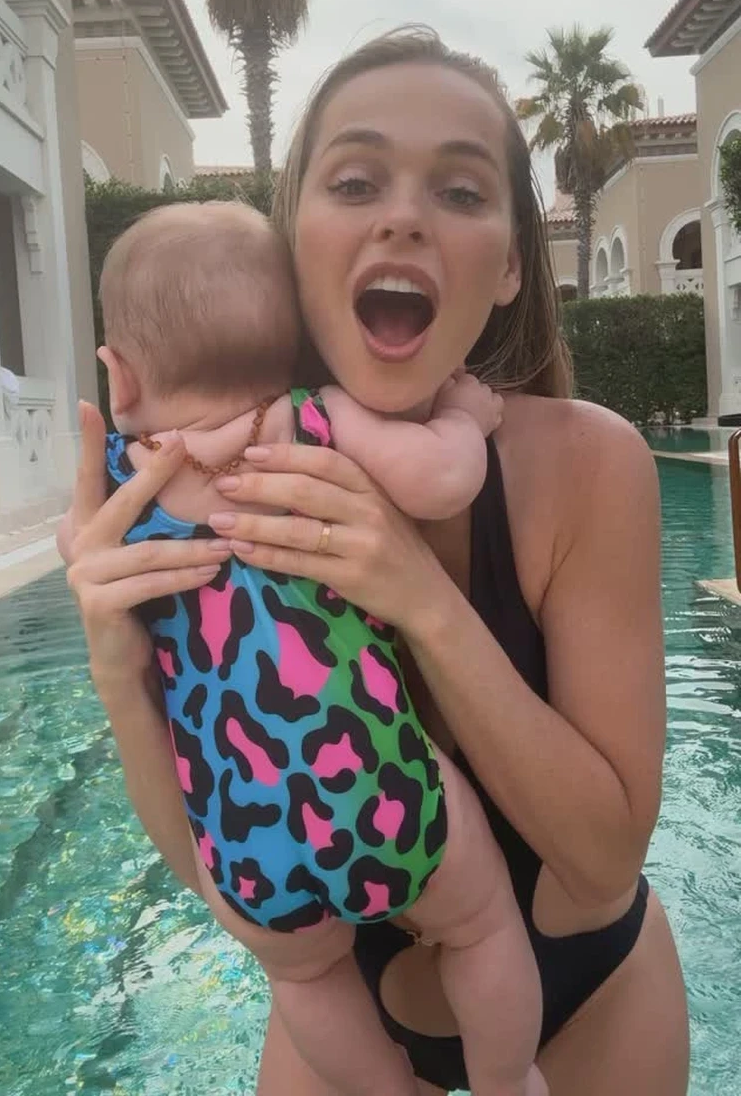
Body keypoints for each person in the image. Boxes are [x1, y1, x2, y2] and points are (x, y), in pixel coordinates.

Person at [62, 26, 690, 1096]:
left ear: (508, 265)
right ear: (291, 247)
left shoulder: (589, 464)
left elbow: (601, 859)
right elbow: (214, 878)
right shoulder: (182, 497)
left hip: (590, 1000)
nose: (402, 215)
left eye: (460, 191)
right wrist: (118, 667)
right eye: (355, 182)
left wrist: (416, 594)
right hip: (344, 1025)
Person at [94, 198, 544, 1096]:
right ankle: (508, 1082)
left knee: (303, 978)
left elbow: (87, 565)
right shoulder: (309, 422)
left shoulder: (122, 490)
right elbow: (443, 478)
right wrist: (465, 415)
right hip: (374, 789)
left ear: (121, 378)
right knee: (482, 922)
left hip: (243, 834)